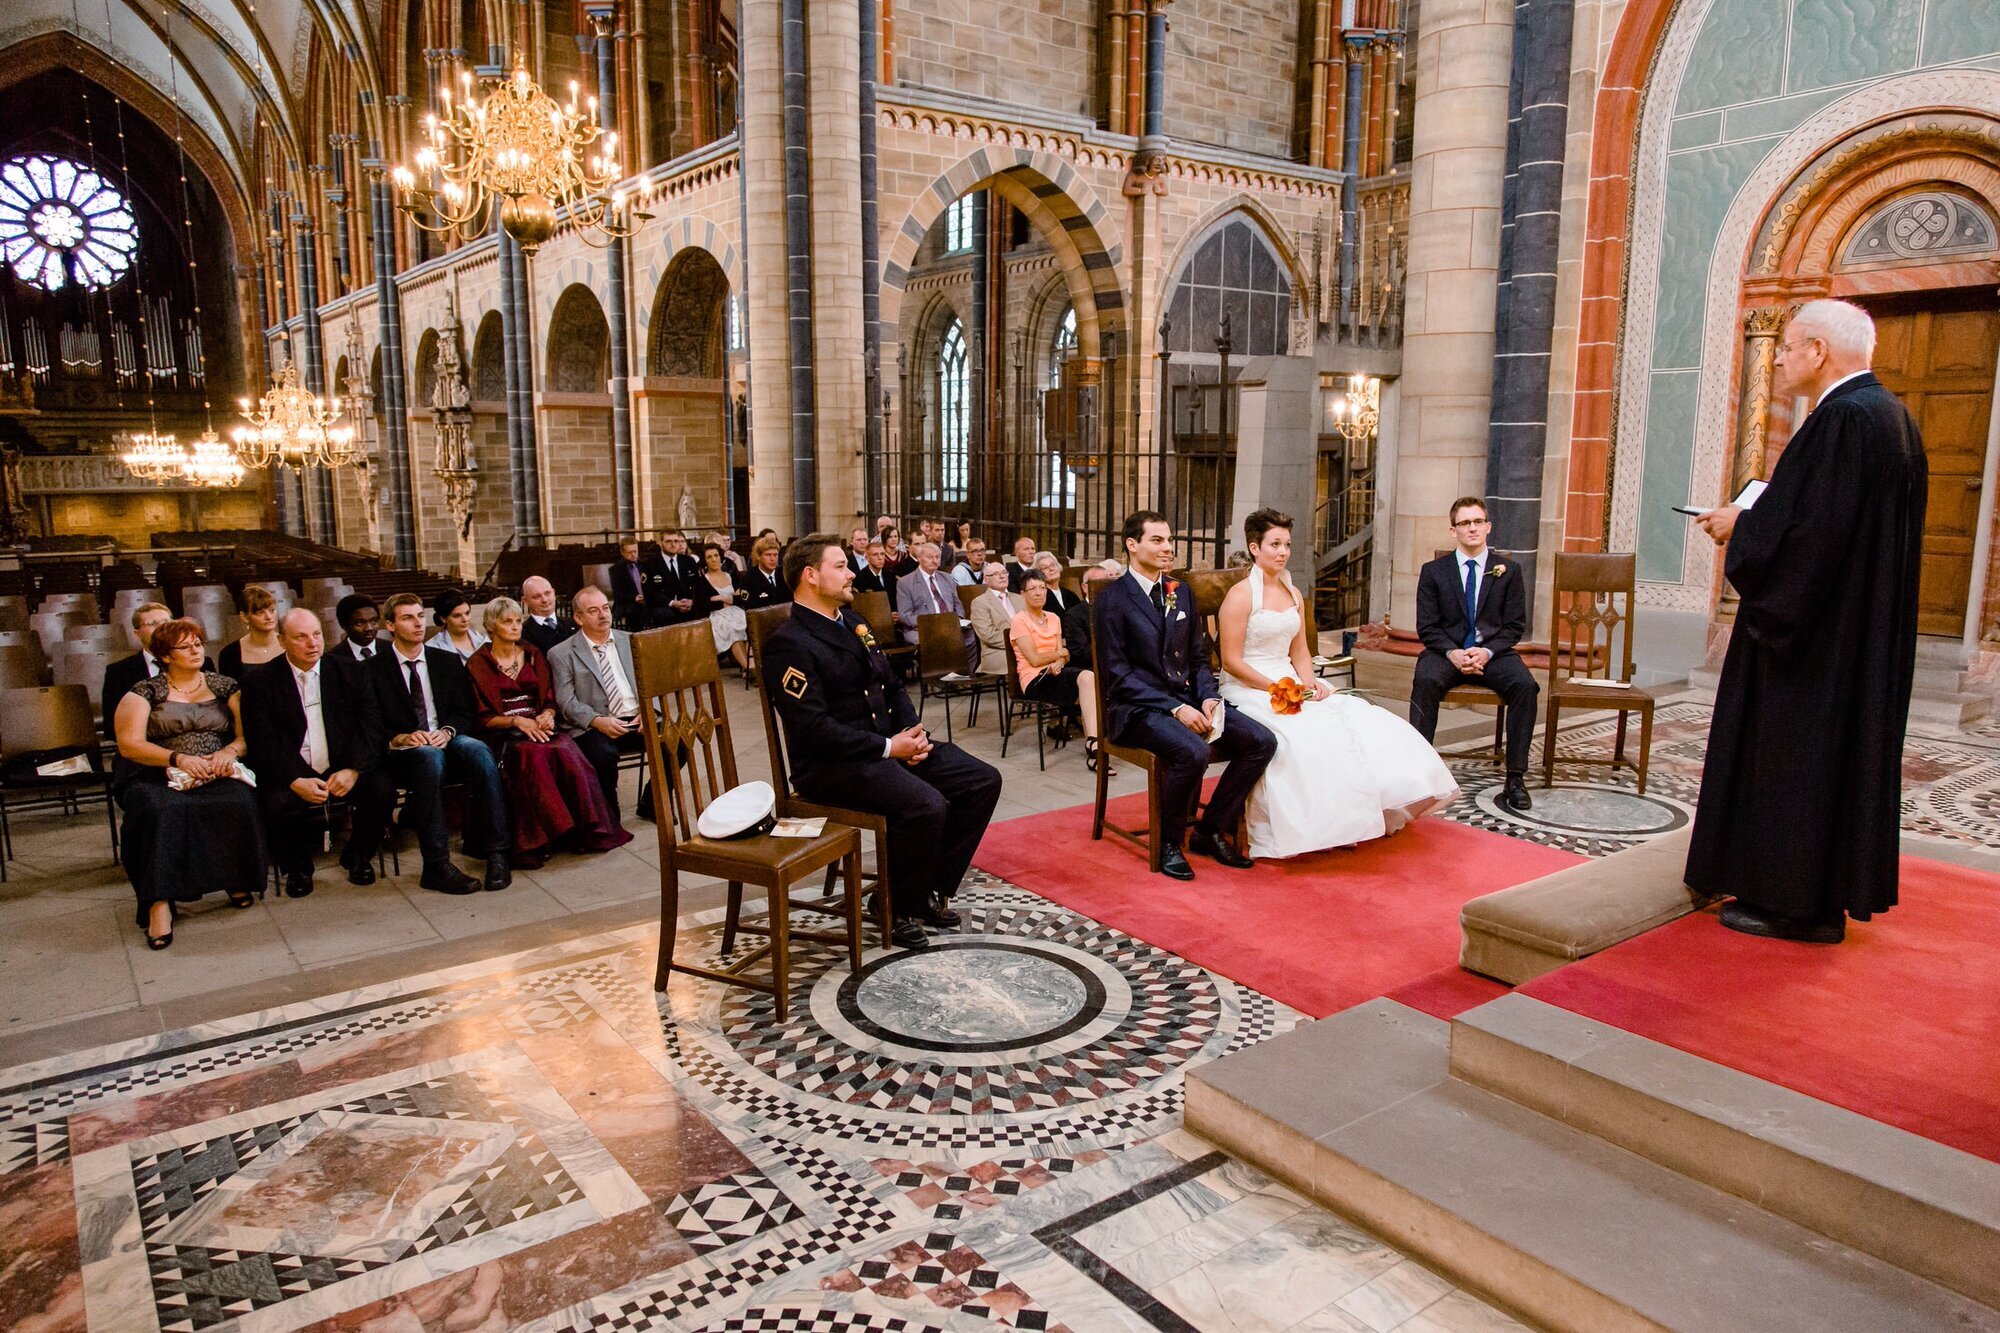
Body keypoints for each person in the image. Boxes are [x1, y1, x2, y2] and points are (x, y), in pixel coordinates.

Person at [1686, 299, 1927, 943]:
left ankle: (1794, 904)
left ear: (1819, 350)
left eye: (1789, 346)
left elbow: (1809, 546)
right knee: (1828, 764)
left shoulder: (1843, 421)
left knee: (1797, 762)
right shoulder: (1891, 417)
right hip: (1852, 639)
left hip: (1812, 650)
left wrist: (1742, 526)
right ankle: (1813, 894)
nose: (1782, 358)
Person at [759, 534, 1002, 951]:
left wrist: (914, 733)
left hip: (886, 746)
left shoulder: (855, 622)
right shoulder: (790, 643)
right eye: (840, 566)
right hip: (833, 766)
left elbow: (891, 686)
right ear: (810, 576)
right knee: (926, 805)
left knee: (981, 780)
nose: (851, 572)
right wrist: (890, 748)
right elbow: (814, 728)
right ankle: (893, 905)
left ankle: (922, 887)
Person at [1218, 509, 1458, 859]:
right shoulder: (1240, 596)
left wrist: (1311, 683)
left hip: (1290, 681)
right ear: (1255, 548)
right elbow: (1231, 661)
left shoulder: (1293, 593)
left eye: (1286, 544)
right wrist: (1277, 689)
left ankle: (1350, 820)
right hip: (1248, 687)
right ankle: (1313, 825)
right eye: (1274, 544)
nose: (1283, 552)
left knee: (1361, 720)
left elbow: (1299, 649)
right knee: (1303, 736)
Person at [1096, 511, 1276, 880]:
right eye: (1157, 540)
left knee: (1261, 741)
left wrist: (1208, 697)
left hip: (1188, 699)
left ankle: (1210, 830)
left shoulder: (1181, 592)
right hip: (1137, 709)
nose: (1168, 548)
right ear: (1133, 545)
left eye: (1169, 540)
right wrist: (1175, 707)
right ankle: (1169, 841)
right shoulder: (1112, 600)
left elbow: (1198, 657)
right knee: (1192, 751)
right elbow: (1117, 675)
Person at [113, 618, 267, 949]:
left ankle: (233, 878)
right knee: (160, 811)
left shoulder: (225, 685)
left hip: (218, 768)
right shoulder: (144, 692)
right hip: (159, 773)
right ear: (166, 655)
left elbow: (246, 735)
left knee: (238, 802)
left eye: (198, 643)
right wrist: (178, 760)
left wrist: (228, 753)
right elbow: (130, 744)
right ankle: (158, 903)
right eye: (186, 646)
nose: (196, 650)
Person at [241, 609, 394, 899]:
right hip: (292, 767)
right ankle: (297, 867)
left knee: (381, 789)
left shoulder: (351, 671)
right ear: (282, 641)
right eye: (301, 637)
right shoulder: (260, 682)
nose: (313, 643)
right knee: (276, 802)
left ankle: (359, 855)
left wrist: (353, 769)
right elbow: (263, 740)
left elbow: (372, 726)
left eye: (317, 635)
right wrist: (294, 778)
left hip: (343, 764)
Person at [468, 597, 631, 868]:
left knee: (566, 749)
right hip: (504, 731)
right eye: (507, 622)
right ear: (491, 626)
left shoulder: (532, 652)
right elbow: (482, 715)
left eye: (518, 621)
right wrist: (517, 722)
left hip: (539, 725)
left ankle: (580, 831)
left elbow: (549, 697)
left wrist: (547, 714)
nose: (515, 627)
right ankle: (538, 840)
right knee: (533, 757)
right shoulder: (479, 662)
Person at [367, 593, 509, 893]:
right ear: (390, 625)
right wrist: (401, 737)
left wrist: (447, 731)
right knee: (430, 759)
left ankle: (497, 852)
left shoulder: (444, 661)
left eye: (420, 616)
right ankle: (435, 864)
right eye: (408, 618)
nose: (418, 623)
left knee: (479, 751)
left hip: (444, 739)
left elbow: (464, 711)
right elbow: (370, 722)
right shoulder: (374, 669)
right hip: (404, 753)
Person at [1406, 497, 1539, 813]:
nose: (1472, 528)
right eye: (1465, 523)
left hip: (1493, 652)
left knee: (1525, 686)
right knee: (1425, 680)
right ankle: (1418, 770)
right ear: (1453, 530)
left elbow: (1514, 626)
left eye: (1478, 521)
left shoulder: (1509, 570)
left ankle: (1515, 778)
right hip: (1445, 651)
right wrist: (1452, 652)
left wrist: (1488, 651)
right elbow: (1427, 627)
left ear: (1488, 527)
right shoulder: (1434, 571)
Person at [549, 585, 650, 821]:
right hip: (595, 724)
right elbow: (565, 700)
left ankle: (651, 802)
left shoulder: (631, 640)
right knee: (602, 754)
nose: (603, 615)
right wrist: (596, 720)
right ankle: (609, 812)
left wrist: (647, 710)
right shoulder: (561, 653)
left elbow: (653, 682)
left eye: (605, 608)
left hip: (637, 717)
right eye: (593, 611)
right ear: (578, 618)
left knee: (678, 742)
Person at [1011, 572, 1099, 757]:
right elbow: (1034, 659)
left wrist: (1059, 661)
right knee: (1087, 678)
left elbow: (1064, 655)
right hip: (1034, 679)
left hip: (1055, 672)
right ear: (1022, 594)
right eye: (1032, 589)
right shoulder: (1019, 620)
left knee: (1089, 676)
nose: (1038, 593)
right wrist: (1060, 654)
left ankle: (1093, 741)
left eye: (1042, 588)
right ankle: (1093, 741)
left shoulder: (1054, 618)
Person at [101, 601, 176, 740]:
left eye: (166, 622)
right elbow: (112, 725)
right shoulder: (118, 671)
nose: (162, 628)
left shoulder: (200, 663)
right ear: (137, 633)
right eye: (152, 623)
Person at [895, 541, 975, 661]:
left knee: (970, 637)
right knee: (939, 640)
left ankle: (965, 674)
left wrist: (958, 618)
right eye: (929, 557)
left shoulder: (947, 578)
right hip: (922, 628)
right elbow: (905, 615)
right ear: (919, 558)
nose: (934, 560)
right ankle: (939, 676)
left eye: (937, 557)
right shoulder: (905, 583)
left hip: (949, 625)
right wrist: (930, 624)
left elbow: (957, 604)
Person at [695, 541, 751, 673]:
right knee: (731, 630)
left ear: (721, 557)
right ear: (705, 560)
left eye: (716, 555)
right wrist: (730, 599)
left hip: (736, 611)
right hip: (717, 615)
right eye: (709, 557)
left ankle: (750, 663)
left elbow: (742, 597)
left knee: (749, 624)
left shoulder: (731, 576)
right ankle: (749, 669)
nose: (714, 559)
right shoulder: (702, 581)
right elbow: (704, 604)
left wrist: (721, 598)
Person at [218, 585, 286, 678]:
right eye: (260, 612)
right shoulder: (229, 654)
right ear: (244, 617)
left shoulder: (290, 645)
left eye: (272, 610)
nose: (269, 617)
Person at [968, 562, 1020, 675]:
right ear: (986, 579)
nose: (1002, 576)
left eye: (1004, 572)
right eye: (996, 574)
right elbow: (988, 635)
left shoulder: (1020, 599)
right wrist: (1019, 643)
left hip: (1025, 649)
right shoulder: (979, 603)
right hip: (998, 652)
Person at [650, 532, 702, 625]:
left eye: (676, 541)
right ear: (661, 542)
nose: (673, 544)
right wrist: (672, 603)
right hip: (665, 606)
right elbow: (651, 591)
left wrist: (692, 600)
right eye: (668, 541)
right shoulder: (651, 563)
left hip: (688, 604)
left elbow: (697, 585)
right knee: (665, 615)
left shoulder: (688, 561)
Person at [427, 589, 490, 661]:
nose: (465, 619)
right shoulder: (433, 647)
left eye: (467, 613)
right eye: (457, 616)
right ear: (443, 618)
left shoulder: (483, 640)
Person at [519, 575, 575, 654]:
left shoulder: (574, 625)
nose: (544, 600)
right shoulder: (522, 634)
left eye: (547, 593)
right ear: (525, 601)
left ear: (554, 593)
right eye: (537, 596)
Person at [738, 535, 791, 610]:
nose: (772, 559)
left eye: (775, 555)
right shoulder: (749, 578)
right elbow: (750, 608)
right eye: (768, 555)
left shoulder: (784, 574)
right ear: (758, 556)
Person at [609, 538, 649, 630]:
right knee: (634, 612)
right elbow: (617, 594)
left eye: (635, 551)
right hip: (628, 603)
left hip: (647, 600)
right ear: (622, 553)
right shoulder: (616, 570)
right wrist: (634, 598)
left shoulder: (645, 564)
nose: (633, 555)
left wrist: (646, 596)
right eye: (629, 552)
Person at [334, 593, 382, 662]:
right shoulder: (333, 659)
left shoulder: (392, 650)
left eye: (373, 622)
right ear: (344, 625)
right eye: (360, 623)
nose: (369, 628)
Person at [1033, 552, 1078, 616]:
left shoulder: (1071, 595)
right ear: (1038, 574)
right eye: (1045, 568)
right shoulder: (1040, 597)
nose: (1051, 569)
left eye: (1053, 565)